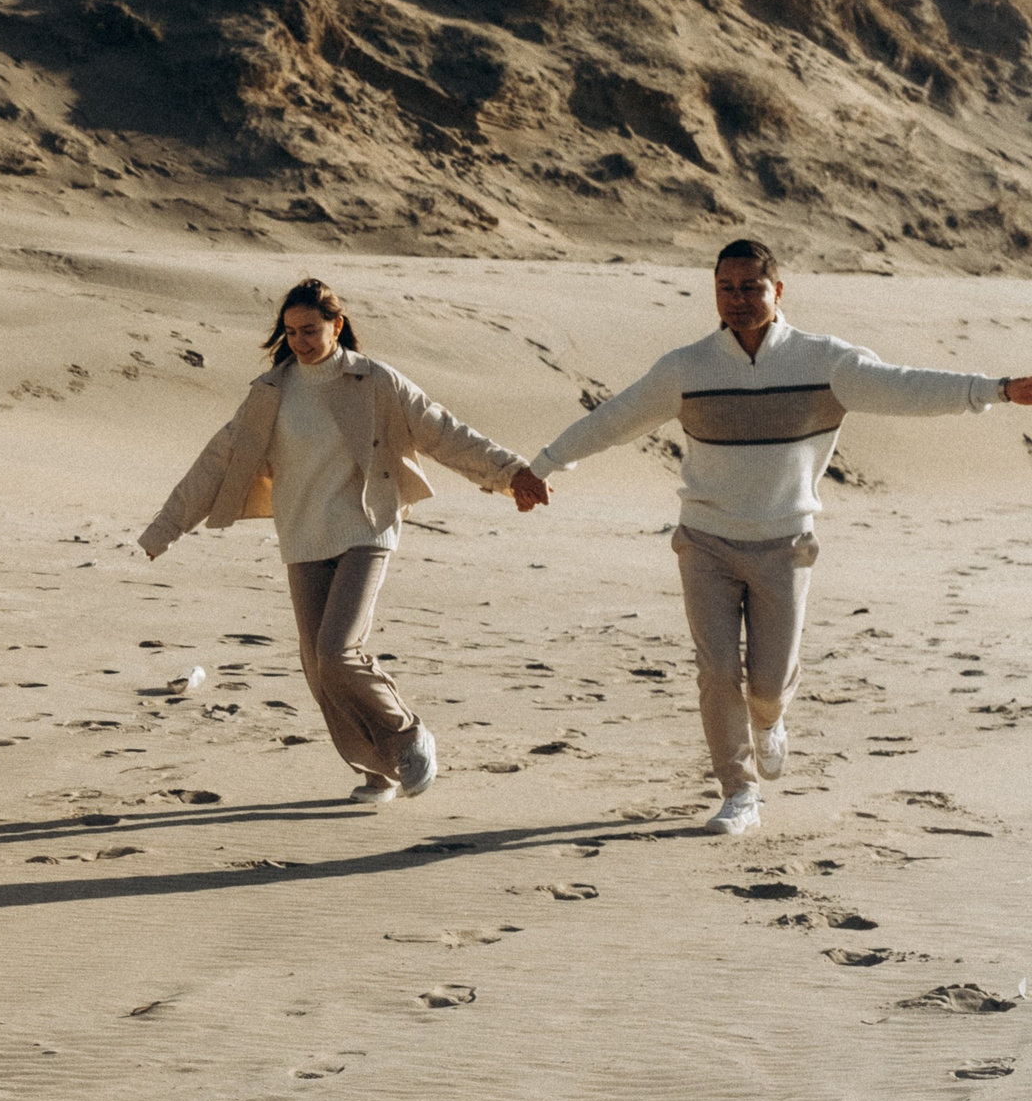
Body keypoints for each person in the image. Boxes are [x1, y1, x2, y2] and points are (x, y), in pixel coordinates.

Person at [525, 237, 1032, 835]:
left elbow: (904, 387)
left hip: (785, 545)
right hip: (705, 540)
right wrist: (544, 465)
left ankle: (768, 722)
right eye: (726, 288)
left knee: (766, 685)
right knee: (716, 672)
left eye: (751, 288)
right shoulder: (687, 368)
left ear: (778, 290)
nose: (737, 300)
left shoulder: (825, 362)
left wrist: (996, 389)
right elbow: (614, 419)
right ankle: (738, 793)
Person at [140, 277, 544, 803]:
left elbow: (443, 430)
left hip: (365, 528)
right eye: (291, 332)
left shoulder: (375, 382)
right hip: (303, 536)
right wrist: (165, 527)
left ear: (337, 325)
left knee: (337, 652)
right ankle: (378, 770)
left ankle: (408, 735)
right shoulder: (270, 393)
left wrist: (511, 472)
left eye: (311, 330)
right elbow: (217, 461)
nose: (301, 341)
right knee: (318, 670)